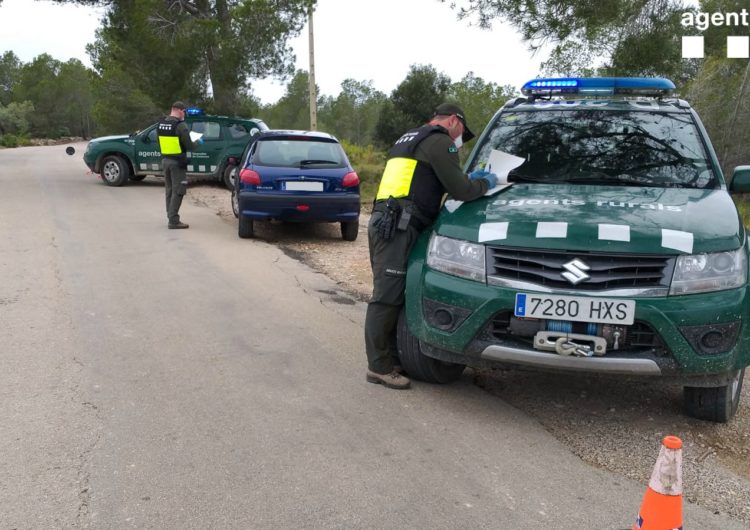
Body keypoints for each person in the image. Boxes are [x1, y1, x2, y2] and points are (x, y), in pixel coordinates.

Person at [364, 103, 498, 389]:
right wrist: (483, 184)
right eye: (462, 131)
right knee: (386, 297)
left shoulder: (409, 138)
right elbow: (461, 191)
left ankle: (391, 360)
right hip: (399, 226)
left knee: (394, 294)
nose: (461, 139)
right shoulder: (440, 142)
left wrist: (463, 179)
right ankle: (378, 367)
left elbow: (424, 180)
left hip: (385, 221)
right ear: (453, 121)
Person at [157, 101, 202, 229]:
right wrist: (198, 141)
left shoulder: (161, 124)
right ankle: (173, 220)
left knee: (169, 190)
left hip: (165, 160)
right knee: (179, 191)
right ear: (180, 111)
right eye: (185, 112)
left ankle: (170, 215)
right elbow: (190, 146)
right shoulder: (180, 126)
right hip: (177, 163)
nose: (185, 114)